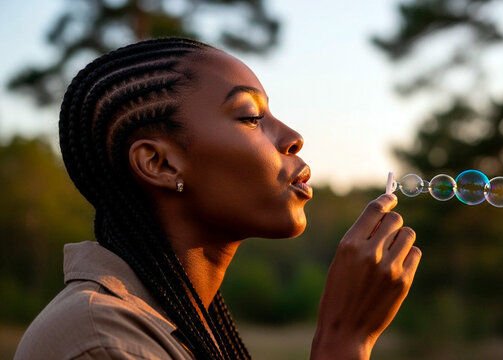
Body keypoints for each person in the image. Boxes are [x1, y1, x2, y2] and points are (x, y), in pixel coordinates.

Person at [14, 37, 421, 360]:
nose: (293, 137)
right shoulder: (102, 341)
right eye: (250, 117)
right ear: (160, 163)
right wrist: (342, 342)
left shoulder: (184, 321)